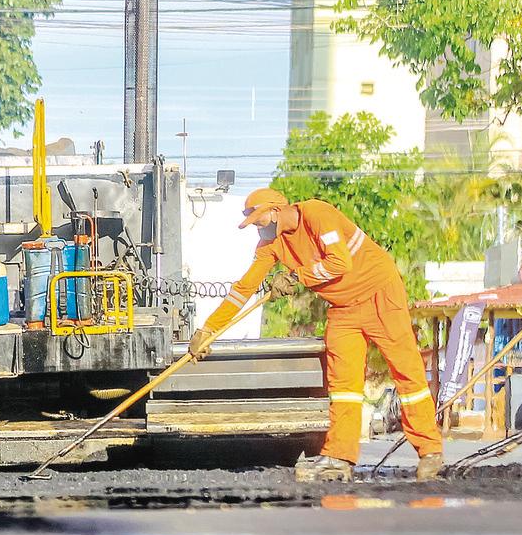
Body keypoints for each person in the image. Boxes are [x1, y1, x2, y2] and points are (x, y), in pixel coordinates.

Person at [189, 188, 444, 483]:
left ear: (275, 212)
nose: (258, 229)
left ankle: (430, 452)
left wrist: (296, 277)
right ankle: (339, 456)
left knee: (407, 374)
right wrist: (209, 329)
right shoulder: (270, 246)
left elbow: (340, 263)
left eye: (259, 222)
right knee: (343, 386)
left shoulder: (316, 214)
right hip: (343, 306)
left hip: (379, 293)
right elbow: (242, 289)